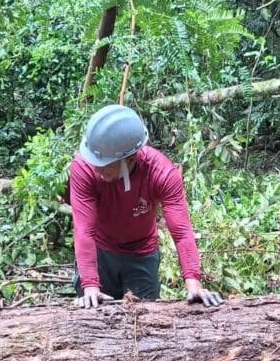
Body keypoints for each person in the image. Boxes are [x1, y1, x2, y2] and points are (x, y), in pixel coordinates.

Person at [69, 104, 222, 308]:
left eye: (104, 164)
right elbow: (84, 229)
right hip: (100, 252)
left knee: (144, 323)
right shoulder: (83, 168)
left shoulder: (162, 173)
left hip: (141, 253)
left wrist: (193, 284)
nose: (96, 168)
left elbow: (182, 231)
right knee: (93, 318)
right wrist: (90, 286)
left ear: (129, 160)